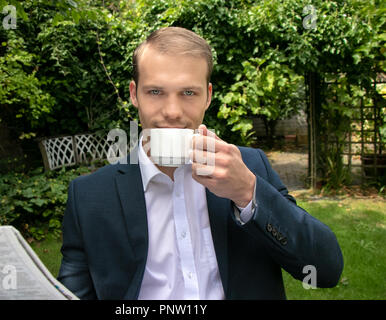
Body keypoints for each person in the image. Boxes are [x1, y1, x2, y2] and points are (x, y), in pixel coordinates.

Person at [58, 26, 343, 300]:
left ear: (208, 96)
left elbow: (324, 271)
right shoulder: (89, 196)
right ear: (134, 94)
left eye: (188, 93)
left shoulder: (250, 167)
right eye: (155, 92)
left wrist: (247, 192)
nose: (172, 112)